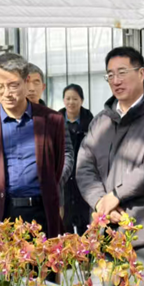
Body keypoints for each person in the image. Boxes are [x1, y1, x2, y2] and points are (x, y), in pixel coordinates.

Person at [76, 47, 144, 286]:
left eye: (122, 72)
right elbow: (84, 166)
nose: (115, 80)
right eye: (110, 75)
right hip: (106, 232)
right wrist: (100, 202)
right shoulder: (102, 121)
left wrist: (116, 195)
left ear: (141, 73)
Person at [0, 53, 69, 236]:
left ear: (26, 82)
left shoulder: (52, 120)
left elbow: (56, 168)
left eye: (13, 86)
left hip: (41, 211)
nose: (6, 93)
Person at [60, 84, 94, 233]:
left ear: (82, 100)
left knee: (86, 225)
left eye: (75, 99)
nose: (71, 102)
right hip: (64, 178)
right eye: (67, 98)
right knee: (63, 224)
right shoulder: (56, 121)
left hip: (84, 178)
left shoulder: (91, 122)